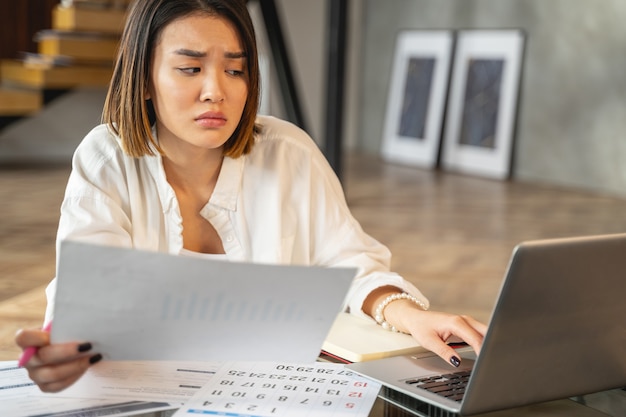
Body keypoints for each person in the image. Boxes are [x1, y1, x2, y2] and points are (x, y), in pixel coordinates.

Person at [15, 0, 486, 393]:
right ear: (143, 78)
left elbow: (349, 261)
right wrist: (61, 352)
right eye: (189, 68)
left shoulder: (288, 152)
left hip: (269, 393)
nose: (215, 91)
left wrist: (408, 313)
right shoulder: (106, 159)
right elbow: (91, 295)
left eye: (235, 70)